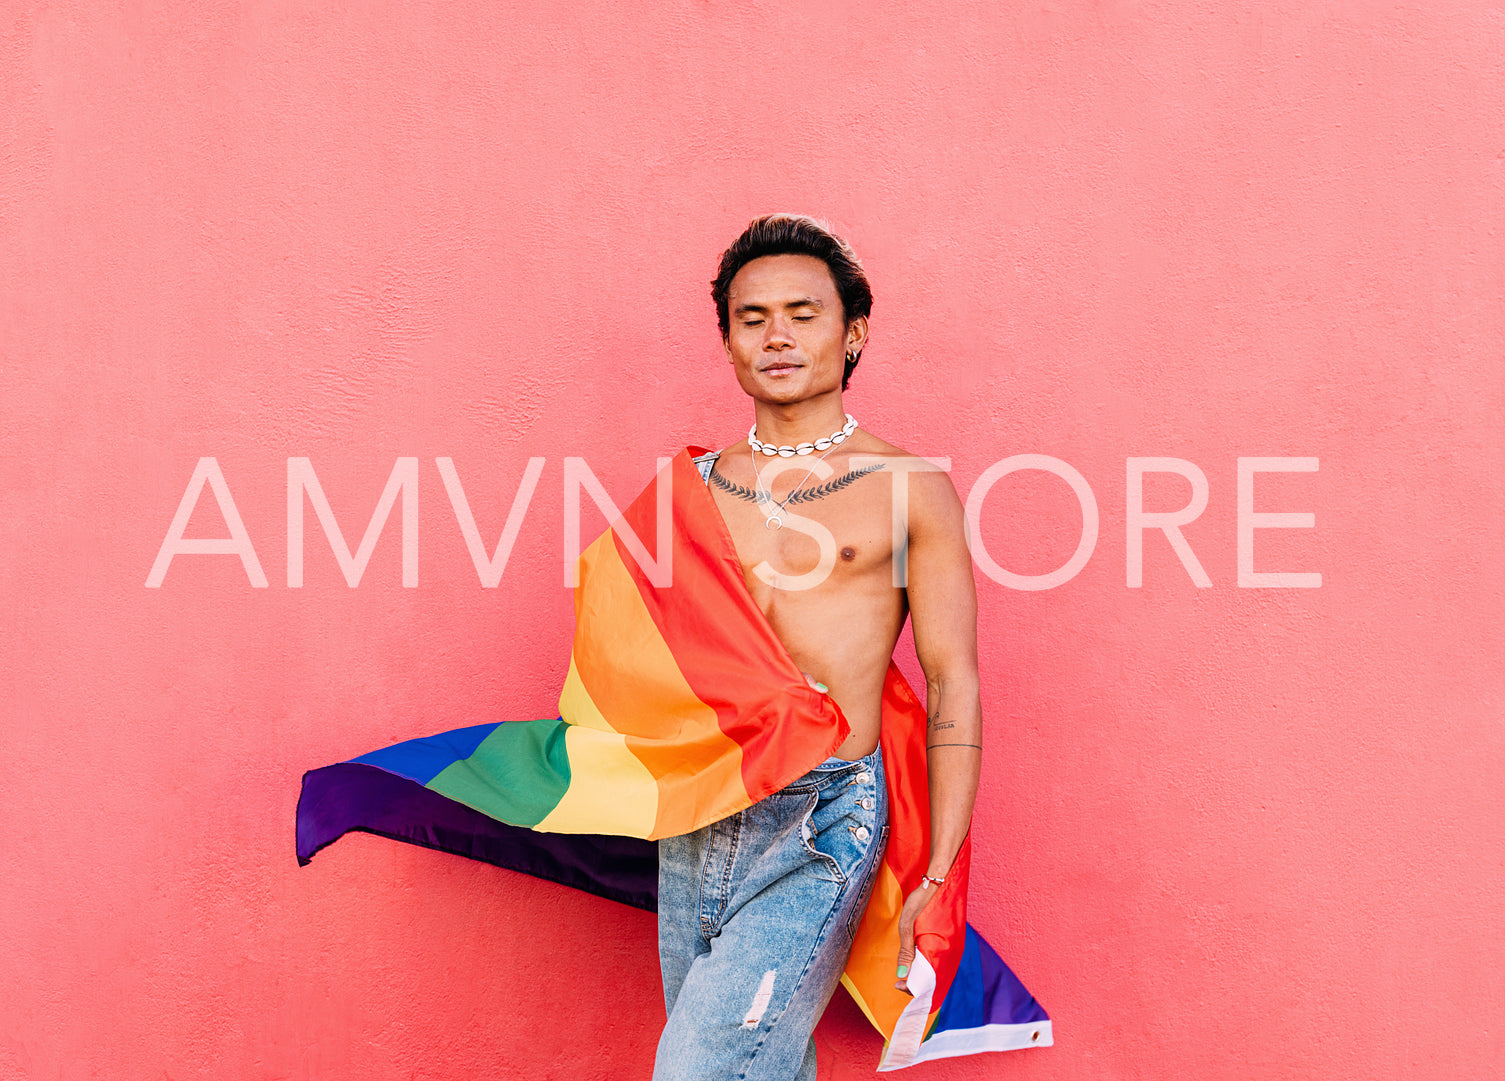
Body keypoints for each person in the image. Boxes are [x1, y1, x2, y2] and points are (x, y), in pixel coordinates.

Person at [651, 215, 984, 1080]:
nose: (777, 335)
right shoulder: (687, 489)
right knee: (764, 1061)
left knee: (699, 1069)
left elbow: (951, 684)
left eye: (802, 312)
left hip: (823, 811)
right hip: (700, 809)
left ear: (853, 331)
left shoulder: (909, 489)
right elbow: (642, 665)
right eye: (752, 317)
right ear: (727, 339)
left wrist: (940, 871)